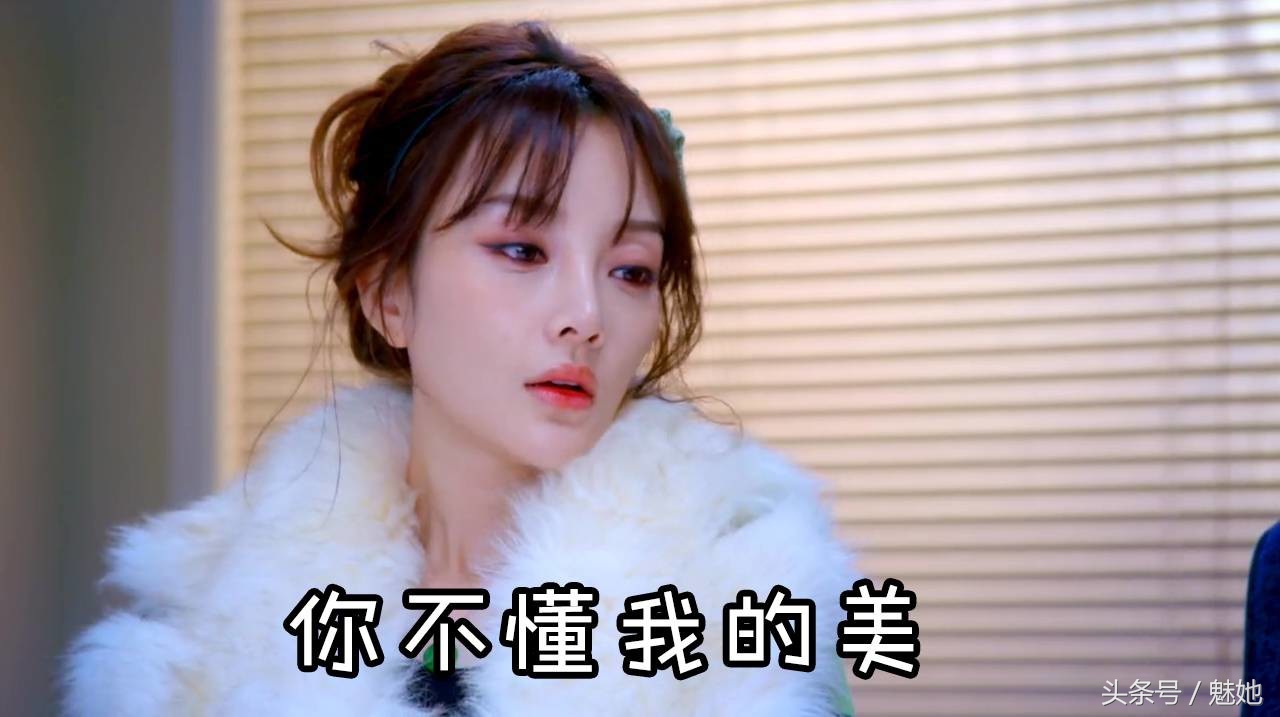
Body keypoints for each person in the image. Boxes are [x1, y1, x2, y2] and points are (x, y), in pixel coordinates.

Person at [61, 19, 859, 716]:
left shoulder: (745, 611)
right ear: (388, 294)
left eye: (631, 270)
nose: (586, 314)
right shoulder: (205, 633)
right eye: (522, 250)